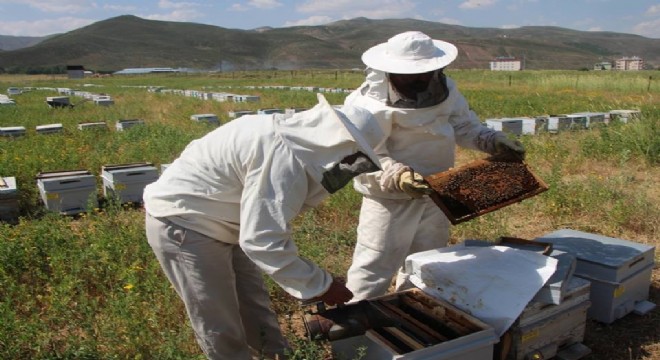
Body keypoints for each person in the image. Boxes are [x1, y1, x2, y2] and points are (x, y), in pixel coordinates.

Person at [143, 93, 383, 360]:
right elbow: (262, 241)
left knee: (254, 306)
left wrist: (318, 283)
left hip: (226, 222)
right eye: (353, 157)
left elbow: (260, 231)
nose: (350, 166)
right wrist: (322, 285)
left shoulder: (288, 142)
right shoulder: (283, 157)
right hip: (183, 224)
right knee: (220, 321)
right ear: (337, 142)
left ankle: (277, 356)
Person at [343, 31, 526, 301]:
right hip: (389, 199)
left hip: (437, 189)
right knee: (376, 261)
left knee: (427, 259)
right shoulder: (365, 104)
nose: (419, 79)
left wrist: (493, 141)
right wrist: (397, 174)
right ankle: (355, 317)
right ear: (389, 71)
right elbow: (363, 153)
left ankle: (412, 308)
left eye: (424, 72)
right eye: (409, 74)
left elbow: (463, 125)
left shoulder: (446, 89)